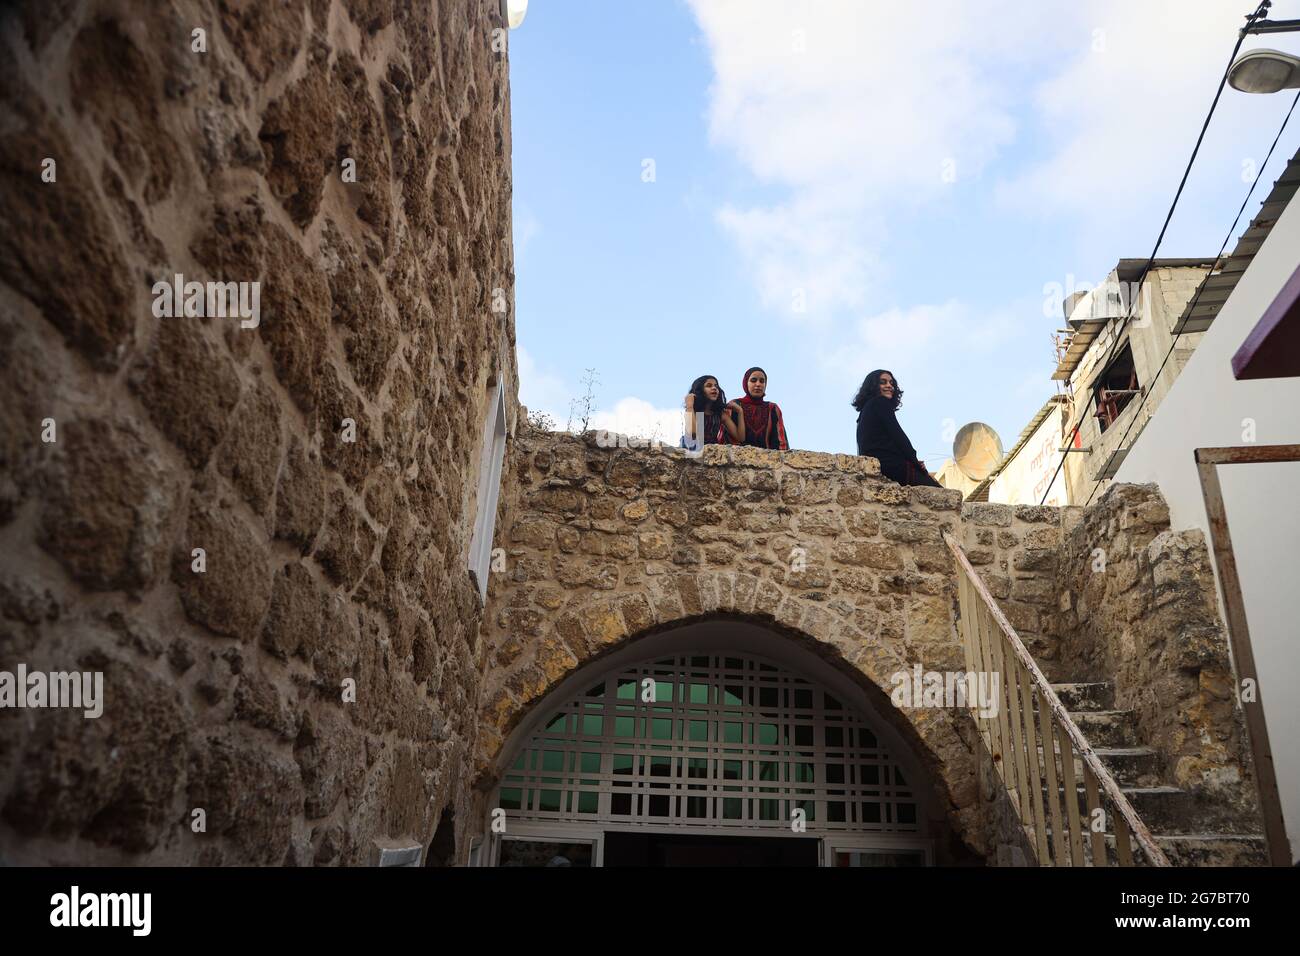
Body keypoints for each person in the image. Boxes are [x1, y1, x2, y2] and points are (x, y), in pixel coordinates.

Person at [853, 369, 941, 487]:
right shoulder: (880, 402)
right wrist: (915, 462)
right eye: (883, 382)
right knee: (940, 493)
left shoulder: (865, 412)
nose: (889, 386)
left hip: (876, 465)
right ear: (873, 386)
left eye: (891, 383)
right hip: (891, 465)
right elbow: (898, 435)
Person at [723, 367, 789, 450]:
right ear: (746, 383)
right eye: (753, 380)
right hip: (737, 459)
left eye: (762, 381)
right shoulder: (734, 405)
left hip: (766, 460)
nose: (758, 384)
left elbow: (781, 442)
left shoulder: (773, 408)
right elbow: (725, 438)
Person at [681, 375, 744, 448]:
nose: (714, 388)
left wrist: (740, 412)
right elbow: (693, 434)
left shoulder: (720, 414)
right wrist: (689, 406)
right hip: (692, 451)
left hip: (712, 452)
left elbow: (740, 438)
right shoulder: (696, 412)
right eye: (709, 386)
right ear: (700, 390)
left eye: (716, 386)